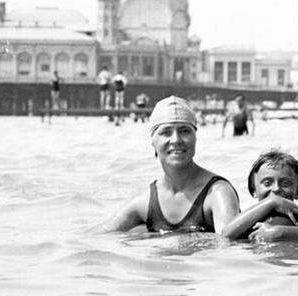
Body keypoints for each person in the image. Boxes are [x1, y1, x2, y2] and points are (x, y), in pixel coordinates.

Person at [102, 96, 240, 234]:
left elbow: (228, 245)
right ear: (153, 142)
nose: (176, 139)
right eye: (166, 132)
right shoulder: (145, 202)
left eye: (184, 131)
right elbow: (98, 235)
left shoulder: (217, 193)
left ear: (195, 138)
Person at [221, 149, 298, 243]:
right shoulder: (248, 219)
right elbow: (226, 234)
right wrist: (273, 202)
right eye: (267, 183)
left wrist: (277, 232)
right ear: (254, 189)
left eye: (285, 184)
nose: (276, 189)